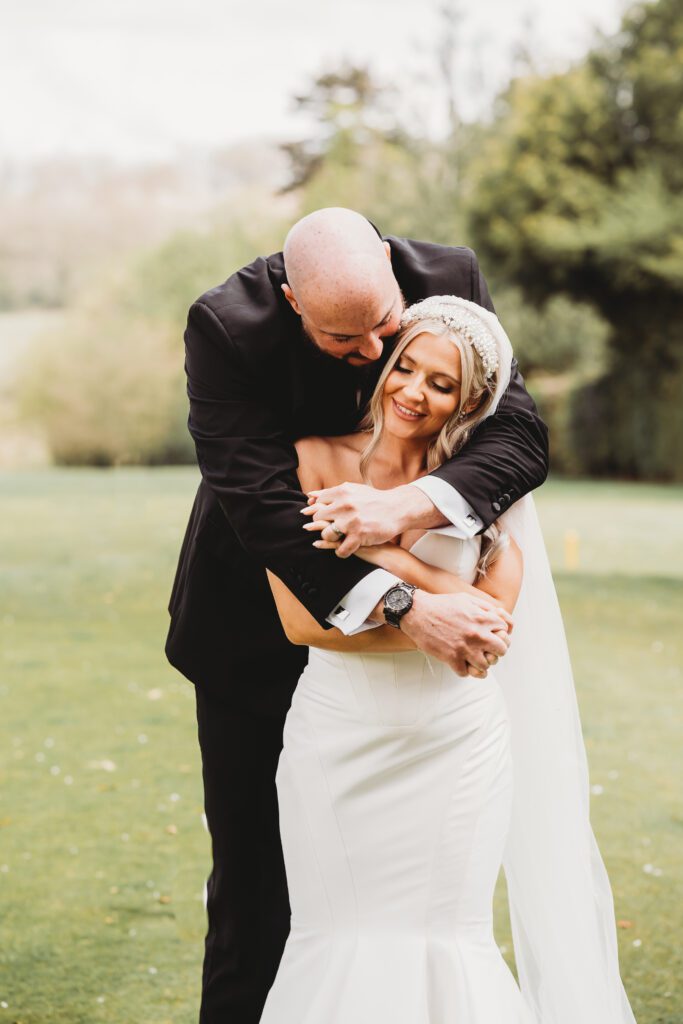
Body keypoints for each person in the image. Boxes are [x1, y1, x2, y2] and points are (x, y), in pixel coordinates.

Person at [165, 208, 549, 1022]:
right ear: (292, 301)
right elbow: (268, 512)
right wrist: (409, 606)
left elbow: (516, 433)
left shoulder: (449, 280)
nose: (376, 357)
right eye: (344, 341)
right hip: (254, 625)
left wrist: (402, 506)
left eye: (383, 325)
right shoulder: (224, 330)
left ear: (386, 262)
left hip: (429, 690)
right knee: (255, 890)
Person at [259, 295, 637, 1024]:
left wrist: (381, 550)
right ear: (385, 365)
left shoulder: (476, 495)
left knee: (445, 936)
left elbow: (488, 636)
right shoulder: (310, 459)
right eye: (407, 368)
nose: (413, 392)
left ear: (467, 402)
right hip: (338, 734)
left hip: (453, 741)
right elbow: (302, 623)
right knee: (334, 932)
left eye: (441, 384)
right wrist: (438, 611)